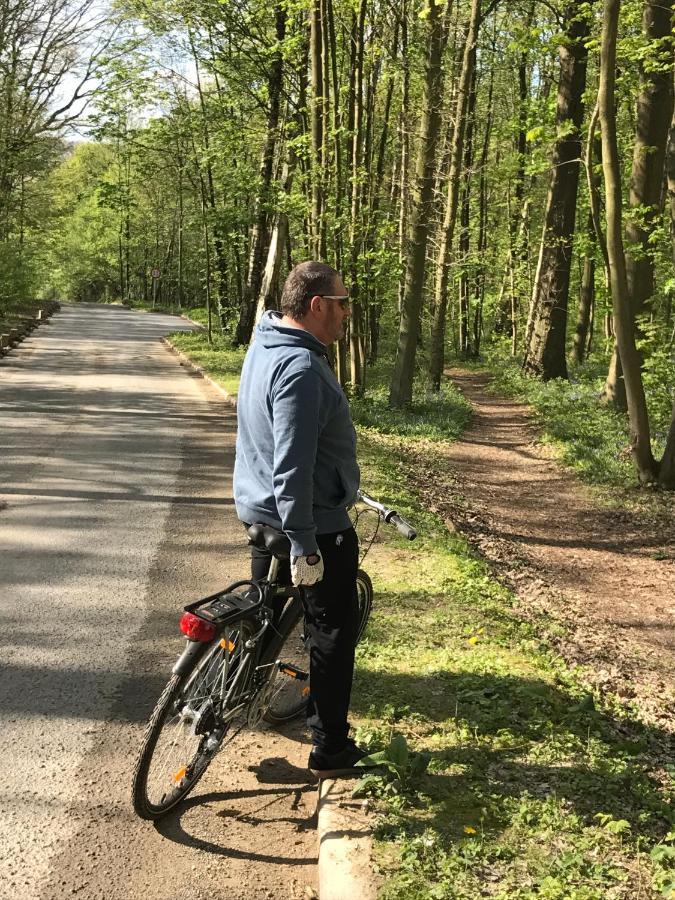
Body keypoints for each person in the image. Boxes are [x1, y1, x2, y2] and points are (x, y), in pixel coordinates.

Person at [233, 260, 365, 777]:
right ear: (316, 305)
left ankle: (235, 695)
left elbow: (256, 438)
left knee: (262, 613)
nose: (346, 313)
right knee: (331, 631)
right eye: (342, 302)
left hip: (257, 511)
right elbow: (293, 465)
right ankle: (331, 747)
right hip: (309, 523)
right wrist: (305, 543)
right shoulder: (304, 369)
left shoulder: (263, 343)